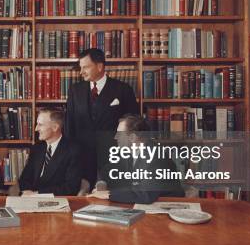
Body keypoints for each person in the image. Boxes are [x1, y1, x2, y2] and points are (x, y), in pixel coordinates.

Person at [65, 48, 138, 189]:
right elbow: (69, 124)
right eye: (80, 68)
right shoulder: (75, 90)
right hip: (82, 158)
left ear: (99, 66)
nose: (81, 72)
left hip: (113, 159)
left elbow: (133, 126)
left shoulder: (123, 90)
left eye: (85, 67)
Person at [96, 114, 184, 204]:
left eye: (119, 134)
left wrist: (108, 194)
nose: (115, 137)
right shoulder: (131, 152)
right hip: (149, 204)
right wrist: (101, 183)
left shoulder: (155, 156)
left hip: (167, 205)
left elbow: (145, 195)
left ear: (133, 138)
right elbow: (108, 170)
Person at [19, 108, 83, 196]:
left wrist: (37, 194)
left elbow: (71, 187)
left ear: (55, 127)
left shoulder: (72, 150)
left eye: (40, 125)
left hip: (55, 201)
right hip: (30, 200)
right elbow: (24, 178)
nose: (36, 129)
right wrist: (27, 192)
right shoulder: (37, 148)